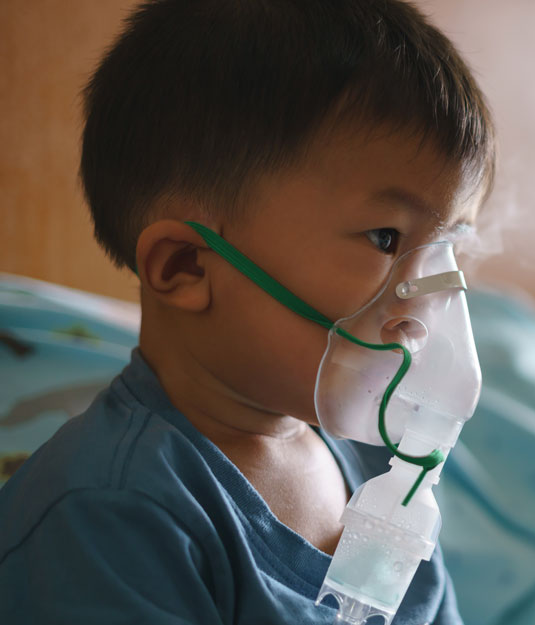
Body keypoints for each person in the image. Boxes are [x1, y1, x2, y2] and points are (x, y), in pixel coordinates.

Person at [0, 1, 494, 623]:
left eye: (446, 249)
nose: (424, 308)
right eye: (387, 239)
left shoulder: (380, 475)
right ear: (189, 266)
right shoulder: (109, 510)